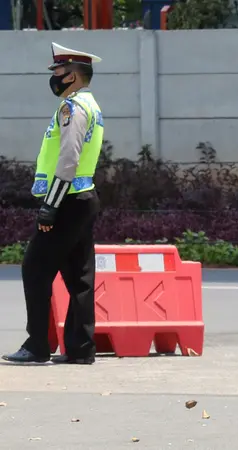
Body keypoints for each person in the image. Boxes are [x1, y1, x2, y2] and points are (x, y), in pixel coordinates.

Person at [2, 43, 104, 365]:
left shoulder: (72, 108)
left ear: (72, 75)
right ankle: (81, 348)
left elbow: (68, 158)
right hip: (83, 197)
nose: (54, 77)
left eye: (58, 72)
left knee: (34, 268)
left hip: (67, 200)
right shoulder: (93, 106)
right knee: (79, 277)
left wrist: (51, 206)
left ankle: (37, 346)